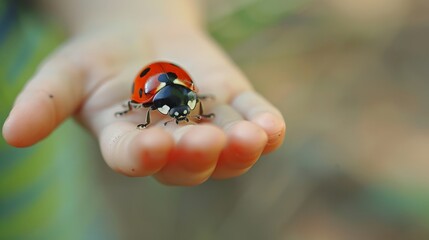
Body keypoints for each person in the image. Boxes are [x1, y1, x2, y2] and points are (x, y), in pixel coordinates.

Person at [2, 0, 285, 185]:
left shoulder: (183, 95)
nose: (179, 114)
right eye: (178, 111)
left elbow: (184, 100)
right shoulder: (152, 101)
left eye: (181, 110)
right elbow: (155, 105)